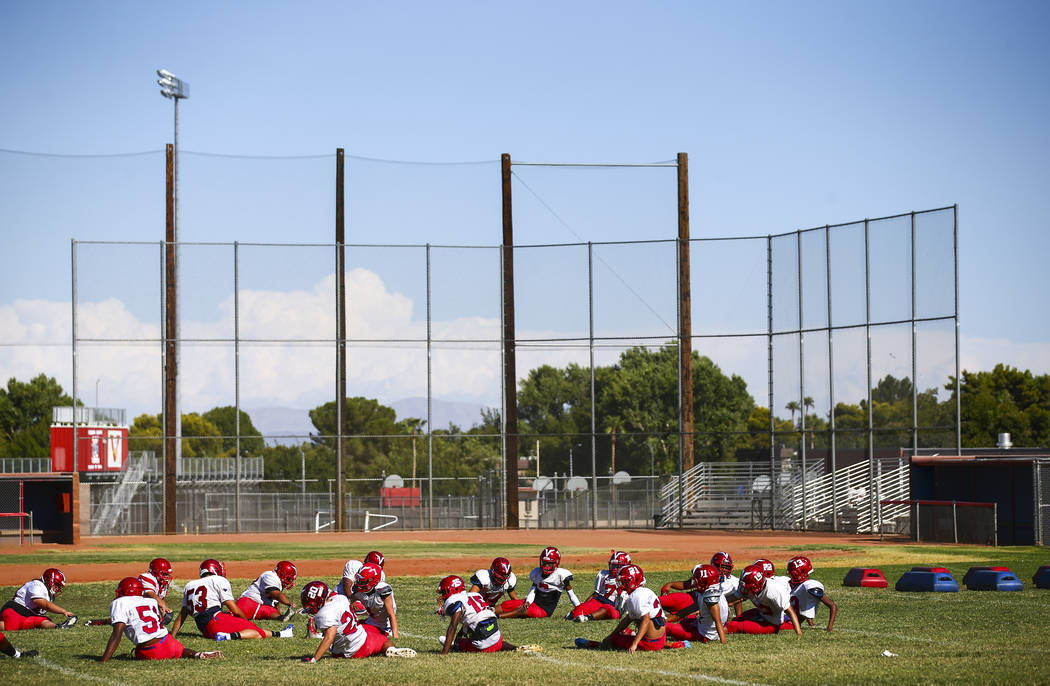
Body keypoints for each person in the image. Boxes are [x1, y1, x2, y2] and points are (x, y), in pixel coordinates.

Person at [100, 577, 222, 662]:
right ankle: (196, 654)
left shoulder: (120, 602)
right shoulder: (150, 601)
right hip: (168, 641)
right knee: (180, 651)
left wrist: (104, 660)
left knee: (138, 651)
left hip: (150, 650)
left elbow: (117, 635)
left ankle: (194, 654)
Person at [170, 559, 293, 641]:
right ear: (215, 570)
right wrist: (246, 622)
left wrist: (172, 636)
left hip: (203, 629)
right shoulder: (218, 580)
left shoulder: (189, 585)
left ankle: (282, 634)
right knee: (256, 632)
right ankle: (282, 634)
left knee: (248, 627)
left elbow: (182, 616)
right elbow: (232, 607)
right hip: (215, 620)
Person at [574, 564, 686, 652]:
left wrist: (634, 644)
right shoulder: (646, 591)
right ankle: (669, 644)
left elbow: (646, 620)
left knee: (613, 641)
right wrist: (613, 633)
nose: (620, 583)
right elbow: (628, 619)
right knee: (624, 631)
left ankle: (592, 644)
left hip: (650, 643)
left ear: (632, 581)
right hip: (660, 639)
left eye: (623, 581)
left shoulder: (635, 596)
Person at [299, 580, 416, 661]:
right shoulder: (340, 599)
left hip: (339, 652)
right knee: (384, 640)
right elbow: (330, 635)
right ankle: (390, 649)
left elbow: (330, 636)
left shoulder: (322, 615)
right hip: (361, 645)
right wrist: (314, 659)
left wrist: (314, 658)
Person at [437, 575, 539, 654]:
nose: (443, 596)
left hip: (482, 643)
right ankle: (514, 648)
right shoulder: (475, 595)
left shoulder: (455, 599)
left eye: (443, 592)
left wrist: (444, 652)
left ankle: (454, 645)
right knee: (493, 641)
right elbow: (467, 623)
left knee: (462, 644)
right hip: (497, 637)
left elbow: (453, 626)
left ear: (451, 590)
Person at [500, 546, 580, 619]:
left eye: (549, 564)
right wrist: (528, 601)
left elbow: (571, 594)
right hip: (534, 603)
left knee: (522, 610)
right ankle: (490, 611)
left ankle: (497, 617)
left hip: (544, 610)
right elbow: (533, 589)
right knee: (507, 604)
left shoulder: (561, 575)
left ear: (556, 563)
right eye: (544, 563)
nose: (546, 566)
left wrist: (579, 608)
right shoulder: (537, 573)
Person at [725, 565, 802, 636]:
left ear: (758, 585)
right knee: (735, 620)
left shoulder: (774, 592)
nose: (744, 589)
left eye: (748, 587)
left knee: (734, 626)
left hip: (771, 624)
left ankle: (716, 631)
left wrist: (799, 633)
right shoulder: (752, 587)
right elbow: (731, 599)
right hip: (760, 613)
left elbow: (790, 611)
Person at [665, 564, 728, 644]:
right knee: (684, 622)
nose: (694, 583)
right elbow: (687, 610)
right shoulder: (711, 591)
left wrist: (723, 643)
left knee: (667, 628)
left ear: (705, 581)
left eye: (698, 580)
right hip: (704, 627)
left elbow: (718, 621)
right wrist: (666, 619)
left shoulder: (711, 598)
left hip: (705, 635)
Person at [0, 568, 76, 630]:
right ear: (49, 580)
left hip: (28, 615)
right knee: (12, 626)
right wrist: (64, 611)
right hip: (15, 610)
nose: (58, 588)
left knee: (43, 620)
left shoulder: (48, 594)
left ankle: (58, 627)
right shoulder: (37, 584)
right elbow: (44, 604)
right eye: (57, 585)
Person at [566, 550, 630, 623]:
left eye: (617, 566)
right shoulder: (603, 574)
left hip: (614, 607)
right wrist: (584, 605)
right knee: (579, 610)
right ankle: (573, 615)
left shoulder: (629, 577)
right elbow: (595, 594)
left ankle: (587, 618)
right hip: (600, 600)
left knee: (608, 609)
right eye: (613, 566)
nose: (614, 569)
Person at [787, 556, 837, 632]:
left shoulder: (810, 586)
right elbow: (806, 606)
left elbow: (832, 606)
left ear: (802, 572)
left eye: (793, 574)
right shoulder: (796, 586)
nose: (791, 576)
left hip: (788, 622)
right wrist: (811, 624)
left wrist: (829, 627)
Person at [348, 563, 399, 638]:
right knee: (346, 628)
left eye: (363, 581)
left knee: (354, 632)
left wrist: (395, 635)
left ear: (373, 580)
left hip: (383, 627)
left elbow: (391, 614)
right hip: (371, 622)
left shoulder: (382, 590)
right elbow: (349, 604)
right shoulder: (357, 591)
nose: (359, 582)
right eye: (359, 580)